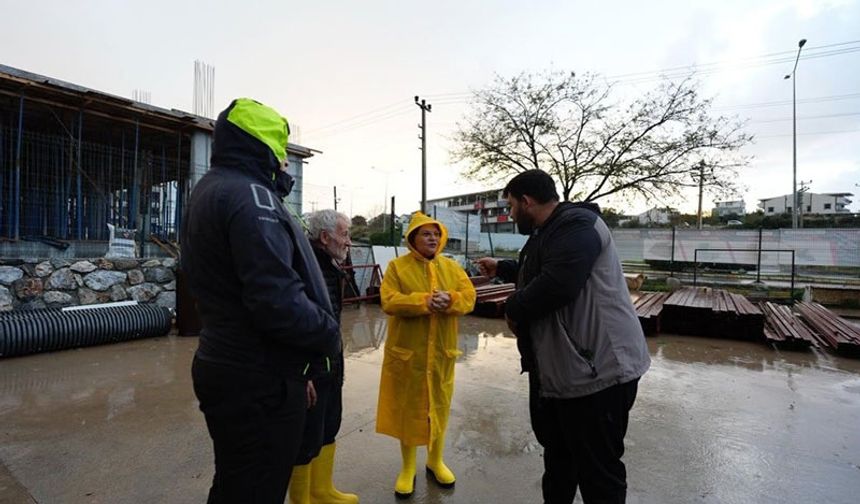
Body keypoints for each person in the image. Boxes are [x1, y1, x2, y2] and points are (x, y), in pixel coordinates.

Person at [181, 98, 340, 504]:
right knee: (257, 489)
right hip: (257, 379)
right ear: (266, 147)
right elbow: (276, 300)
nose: (286, 164)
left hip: (238, 366)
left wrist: (297, 367)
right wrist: (327, 336)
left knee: (237, 482)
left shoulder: (214, 188)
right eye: (282, 153)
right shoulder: (252, 196)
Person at [475, 169, 650, 504]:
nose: (511, 215)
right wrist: (503, 267)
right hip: (563, 374)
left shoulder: (577, 225)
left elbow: (558, 283)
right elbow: (542, 266)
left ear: (527, 201)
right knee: (559, 462)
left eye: (511, 207)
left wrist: (512, 308)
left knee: (599, 473)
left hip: (597, 372)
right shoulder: (550, 231)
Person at [376, 212, 476, 499]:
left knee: (439, 408)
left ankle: (435, 460)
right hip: (409, 355)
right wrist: (424, 301)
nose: (432, 238)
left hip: (441, 355)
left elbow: (468, 296)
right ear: (412, 239)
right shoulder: (397, 267)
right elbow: (388, 300)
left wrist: (452, 300)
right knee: (409, 410)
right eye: (425, 234)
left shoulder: (452, 267)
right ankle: (408, 468)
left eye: (436, 234)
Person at [288, 209, 359, 504]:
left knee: (329, 426)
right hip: (311, 369)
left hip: (331, 363)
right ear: (325, 237)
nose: (349, 242)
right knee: (305, 439)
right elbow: (293, 326)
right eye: (344, 234)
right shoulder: (304, 266)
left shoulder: (330, 265)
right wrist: (301, 373)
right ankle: (302, 500)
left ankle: (321, 490)